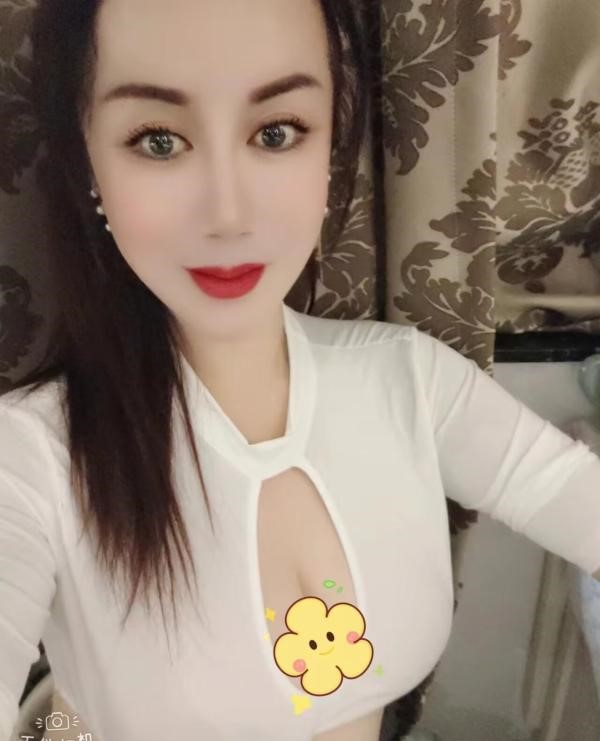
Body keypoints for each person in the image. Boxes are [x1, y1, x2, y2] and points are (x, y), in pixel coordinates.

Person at [1, 1, 599, 740]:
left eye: (276, 132)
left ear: (329, 151)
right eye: (159, 141)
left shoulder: (408, 382)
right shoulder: (31, 455)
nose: (228, 214)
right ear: (88, 162)